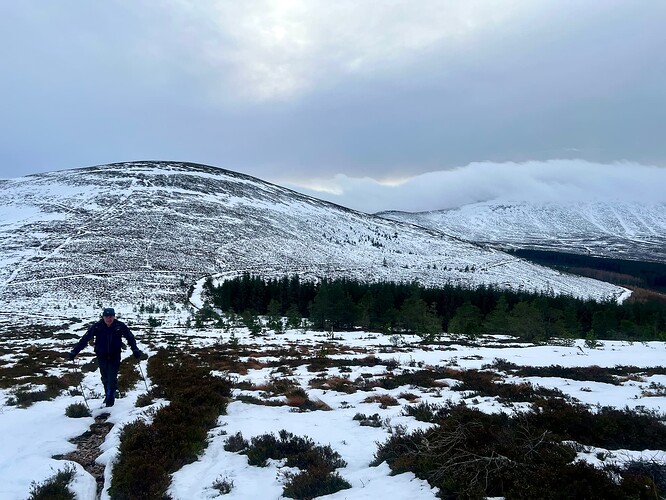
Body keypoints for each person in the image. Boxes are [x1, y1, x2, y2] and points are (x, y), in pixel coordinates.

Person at [69, 307, 143, 407]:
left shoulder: (119, 326)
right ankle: (108, 395)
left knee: (112, 378)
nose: (109, 319)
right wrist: (75, 351)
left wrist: (135, 349)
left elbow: (130, 337)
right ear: (103, 317)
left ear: (114, 316)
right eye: (106, 316)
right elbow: (85, 339)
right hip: (101, 356)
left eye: (111, 316)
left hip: (115, 355)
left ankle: (110, 400)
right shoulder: (97, 326)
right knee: (105, 378)